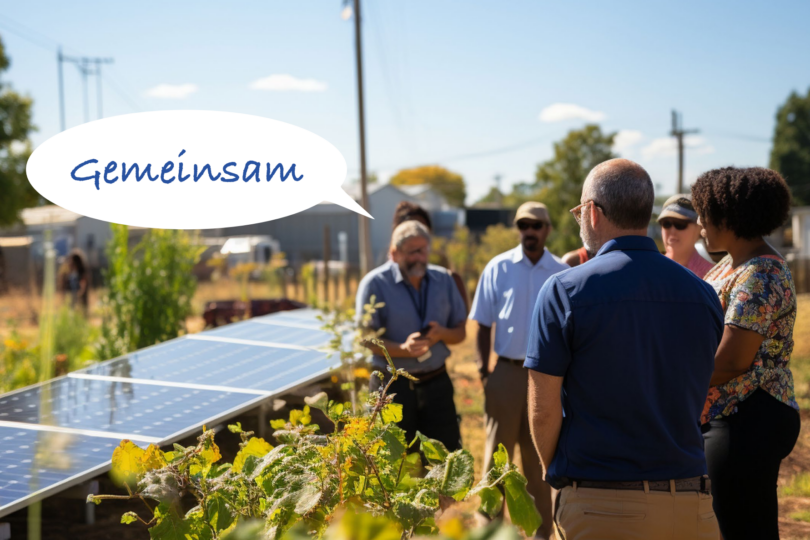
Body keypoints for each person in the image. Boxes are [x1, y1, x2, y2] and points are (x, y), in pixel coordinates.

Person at [526, 158, 723, 540]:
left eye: (579, 210)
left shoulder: (563, 290)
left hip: (601, 504)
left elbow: (543, 409)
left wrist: (563, 477)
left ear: (593, 214)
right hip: (692, 506)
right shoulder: (704, 294)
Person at [692, 167, 801, 540]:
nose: (700, 223)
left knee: (743, 529)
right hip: (731, 414)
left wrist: (671, 381)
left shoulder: (761, 273)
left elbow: (732, 361)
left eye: (705, 213)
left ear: (729, 215)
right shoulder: (732, 264)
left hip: (748, 415)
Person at [469, 201, 566, 539]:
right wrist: (485, 372)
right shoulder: (498, 268)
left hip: (547, 377)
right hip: (506, 374)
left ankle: (540, 532)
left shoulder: (560, 270)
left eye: (536, 225)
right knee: (497, 455)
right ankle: (489, 527)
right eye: (524, 225)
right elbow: (481, 324)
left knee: (540, 458)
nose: (530, 231)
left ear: (547, 230)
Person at [356, 220, 467, 450]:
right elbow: (365, 338)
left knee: (444, 458)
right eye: (412, 252)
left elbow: (460, 333)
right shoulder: (374, 284)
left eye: (423, 250)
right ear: (394, 253)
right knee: (392, 462)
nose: (419, 257)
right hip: (391, 387)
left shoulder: (444, 280)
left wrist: (441, 334)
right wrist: (402, 349)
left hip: (437, 383)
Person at [392, 201, 470, 314]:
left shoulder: (447, 280)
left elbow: (463, 327)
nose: (416, 234)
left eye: (421, 230)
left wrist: (441, 332)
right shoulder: (380, 284)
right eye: (407, 231)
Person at [658, 194, 715, 278]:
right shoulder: (650, 268)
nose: (672, 230)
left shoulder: (711, 276)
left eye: (680, 224)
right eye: (666, 224)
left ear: (699, 227)